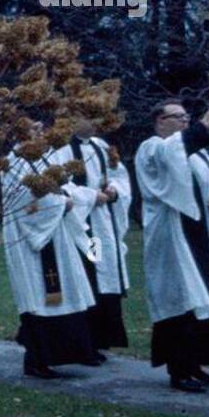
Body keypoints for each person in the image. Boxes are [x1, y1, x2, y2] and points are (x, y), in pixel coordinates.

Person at [135, 100, 209, 392]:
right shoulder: (151, 148)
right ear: (159, 121)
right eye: (177, 117)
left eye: (186, 117)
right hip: (173, 236)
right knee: (182, 303)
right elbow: (171, 157)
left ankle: (196, 362)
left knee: (204, 302)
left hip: (205, 235)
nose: (184, 122)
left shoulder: (199, 154)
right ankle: (179, 370)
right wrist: (205, 123)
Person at [1, 124, 96, 378]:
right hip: (30, 237)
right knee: (37, 295)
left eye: (40, 129)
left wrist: (68, 196)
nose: (39, 134)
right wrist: (59, 203)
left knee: (60, 292)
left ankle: (61, 354)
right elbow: (21, 198)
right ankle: (36, 360)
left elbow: (62, 185)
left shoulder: (45, 158)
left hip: (54, 233)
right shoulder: (14, 162)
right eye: (33, 130)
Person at [55, 119, 131, 360]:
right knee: (83, 279)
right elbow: (57, 185)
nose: (95, 122)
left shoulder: (101, 146)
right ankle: (79, 345)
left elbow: (120, 176)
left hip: (103, 223)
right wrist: (89, 196)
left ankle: (98, 342)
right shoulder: (61, 150)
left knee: (102, 281)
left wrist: (114, 191)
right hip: (78, 224)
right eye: (88, 117)